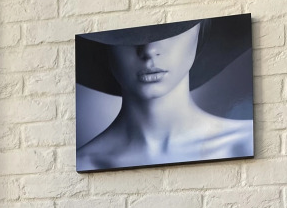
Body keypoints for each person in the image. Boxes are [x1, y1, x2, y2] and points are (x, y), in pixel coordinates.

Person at [76, 17, 253, 172]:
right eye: (127, 33)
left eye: (173, 29)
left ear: (200, 30)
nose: (149, 50)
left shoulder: (248, 144)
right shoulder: (83, 165)